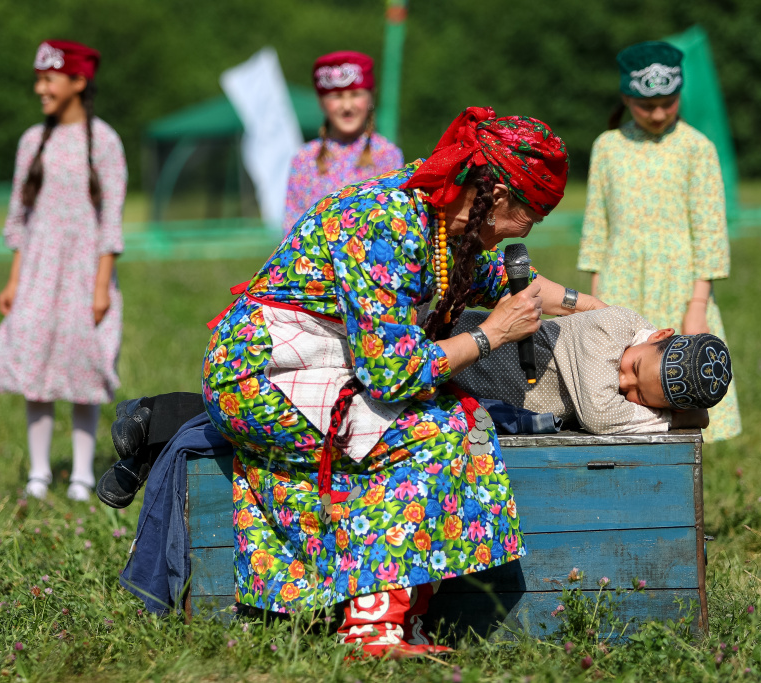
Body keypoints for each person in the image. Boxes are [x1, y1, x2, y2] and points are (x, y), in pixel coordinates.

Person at [203, 107, 604, 657]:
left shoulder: (443, 218)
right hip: (259, 374)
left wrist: (603, 313)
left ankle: (403, 618)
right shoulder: (382, 222)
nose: (526, 232)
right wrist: (490, 335)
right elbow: (392, 375)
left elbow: (512, 283)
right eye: (530, 216)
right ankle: (372, 628)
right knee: (432, 432)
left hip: (326, 364)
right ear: (495, 195)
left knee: (462, 417)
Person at [577, 41, 741, 442]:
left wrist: (698, 307)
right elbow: (597, 232)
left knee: (679, 390)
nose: (657, 113)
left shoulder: (696, 148)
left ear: (680, 94)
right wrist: (594, 306)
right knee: (622, 387)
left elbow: (709, 233)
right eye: (645, 104)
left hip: (680, 290)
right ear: (626, 97)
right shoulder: (607, 147)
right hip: (621, 287)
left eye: (667, 103)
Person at [0, 40, 127, 502]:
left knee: (81, 364)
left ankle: (83, 474)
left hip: (85, 271)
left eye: (48, 78)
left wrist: (102, 284)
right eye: (39, 78)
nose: (39, 87)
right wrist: (14, 278)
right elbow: (20, 214)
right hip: (39, 270)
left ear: (78, 81)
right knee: (36, 361)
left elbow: (112, 216)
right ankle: (39, 471)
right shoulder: (33, 140)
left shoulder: (103, 140)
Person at [453, 307, 729, 434]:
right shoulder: (612, 327)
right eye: (634, 367)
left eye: (640, 396)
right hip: (453, 350)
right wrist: (675, 420)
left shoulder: (637, 359)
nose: (623, 383)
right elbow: (600, 415)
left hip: (467, 393)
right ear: (659, 335)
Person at [282, 51, 403, 235]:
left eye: (355, 94)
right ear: (321, 102)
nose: (347, 107)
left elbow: (396, 224)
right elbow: (292, 232)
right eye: (336, 96)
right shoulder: (304, 160)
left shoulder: (387, 155)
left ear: (371, 97)